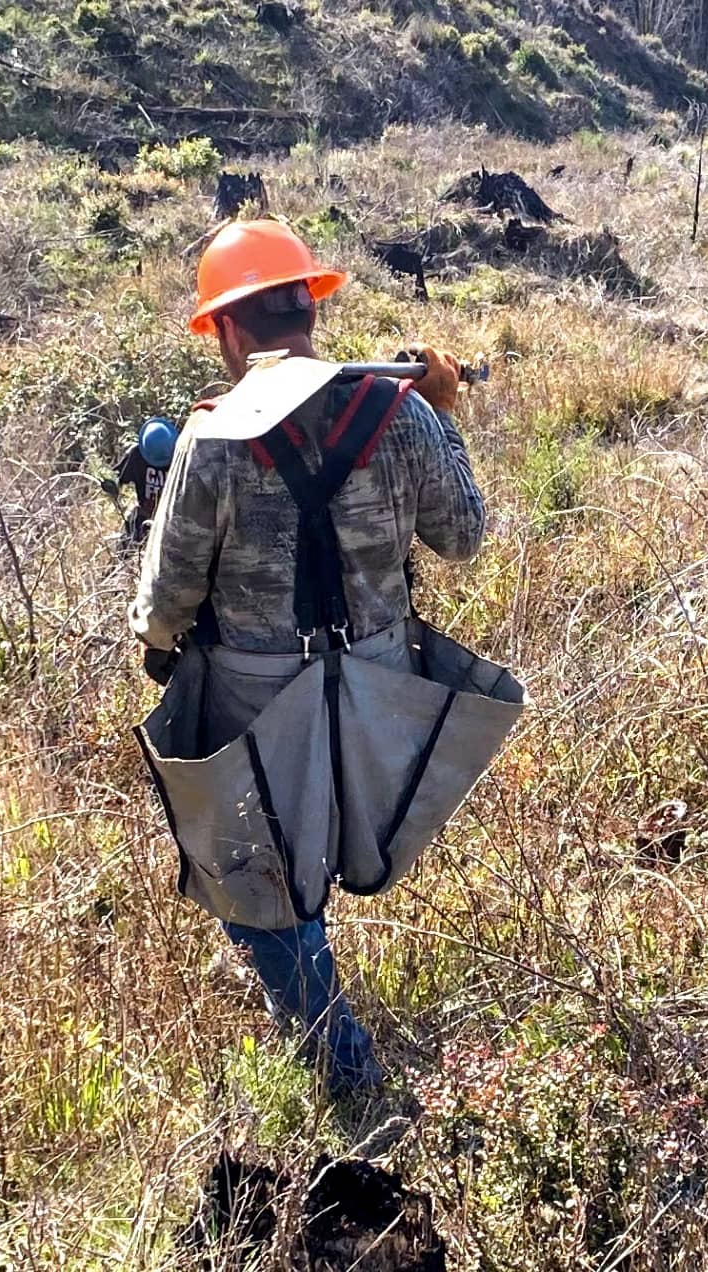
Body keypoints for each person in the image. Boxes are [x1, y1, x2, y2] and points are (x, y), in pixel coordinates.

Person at [130, 220, 497, 1098]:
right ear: (311, 311)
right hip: (379, 687)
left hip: (257, 698)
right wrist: (443, 417)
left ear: (224, 328)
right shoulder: (399, 412)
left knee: (252, 877)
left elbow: (167, 598)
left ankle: (344, 1065)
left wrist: (155, 646)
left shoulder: (211, 438)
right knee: (315, 858)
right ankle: (317, 1011)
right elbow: (465, 536)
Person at [106, 416, 178, 545]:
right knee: (125, 548)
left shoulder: (180, 459)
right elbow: (117, 476)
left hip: (173, 520)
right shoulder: (136, 456)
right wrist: (112, 484)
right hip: (144, 516)